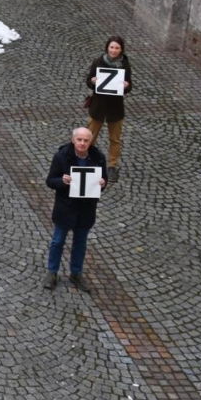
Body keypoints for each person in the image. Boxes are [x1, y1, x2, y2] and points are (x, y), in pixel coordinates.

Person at [43, 127, 107, 293]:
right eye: (79, 140)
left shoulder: (98, 158)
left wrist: (102, 184)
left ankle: (76, 273)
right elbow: (50, 181)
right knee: (58, 241)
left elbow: (103, 180)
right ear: (73, 140)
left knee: (80, 243)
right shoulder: (62, 156)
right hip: (66, 207)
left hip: (86, 209)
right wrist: (61, 181)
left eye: (86, 140)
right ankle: (52, 272)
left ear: (90, 142)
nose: (82, 143)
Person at [85, 35, 131, 183]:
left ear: (121, 50)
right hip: (98, 106)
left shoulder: (124, 65)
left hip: (115, 107)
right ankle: (87, 162)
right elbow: (88, 80)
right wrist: (93, 82)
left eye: (117, 48)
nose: (114, 50)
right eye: (112, 47)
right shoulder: (98, 62)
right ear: (107, 48)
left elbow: (129, 85)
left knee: (115, 139)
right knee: (90, 137)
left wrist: (126, 86)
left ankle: (112, 166)